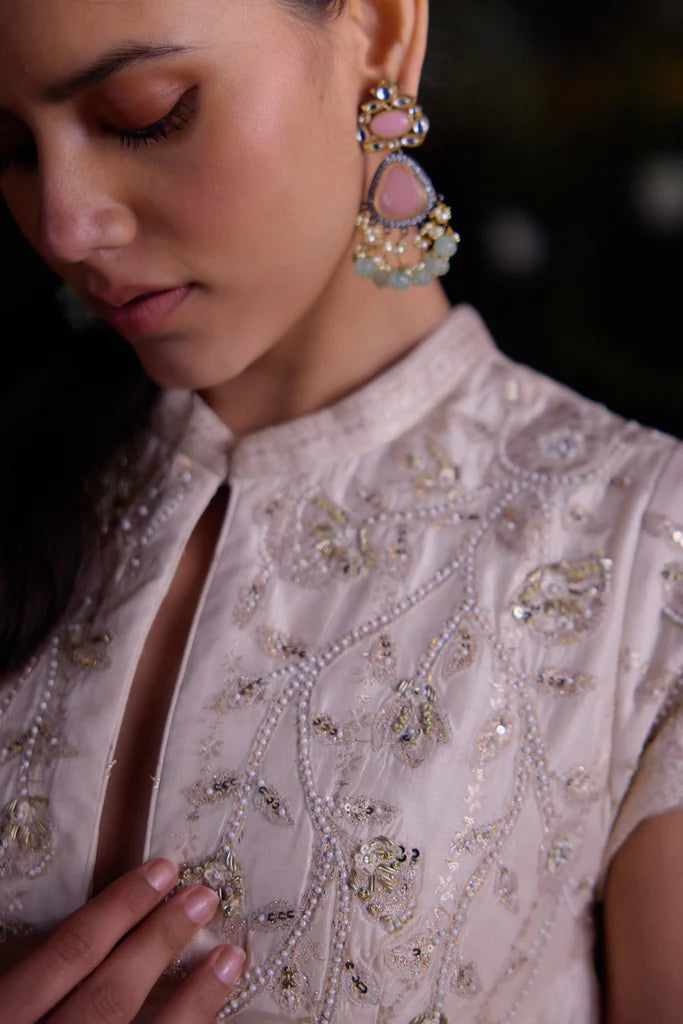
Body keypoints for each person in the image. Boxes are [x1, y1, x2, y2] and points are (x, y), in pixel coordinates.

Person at [0, 0, 681, 1021]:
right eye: (11, 149)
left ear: (381, 35)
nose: (65, 224)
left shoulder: (643, 550)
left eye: (144, 114)